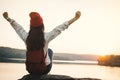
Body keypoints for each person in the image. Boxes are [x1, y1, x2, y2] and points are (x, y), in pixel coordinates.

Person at [3, 11, 81, 75]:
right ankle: (46, 75)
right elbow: (60, 28)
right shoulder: (46, 37)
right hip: (44, 70)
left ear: (31, 26)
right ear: (42, 26)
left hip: (31, 70)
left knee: (47, 51)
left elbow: (18, 28)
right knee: (50, 51)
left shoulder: (26, 37)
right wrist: (75, 18)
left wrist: (8, 18)